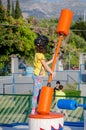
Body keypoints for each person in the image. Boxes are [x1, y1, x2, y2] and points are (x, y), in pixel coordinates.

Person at [31, 34, 54, 114]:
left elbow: (44, 64)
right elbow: (44, 65)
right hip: (38, 76)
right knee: (36, 93)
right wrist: (51, 71)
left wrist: (52, 60)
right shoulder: (40, 55)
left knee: (39, 93)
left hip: (38, 77)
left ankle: (37, 108)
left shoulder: (38, 54)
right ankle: (33, 110)